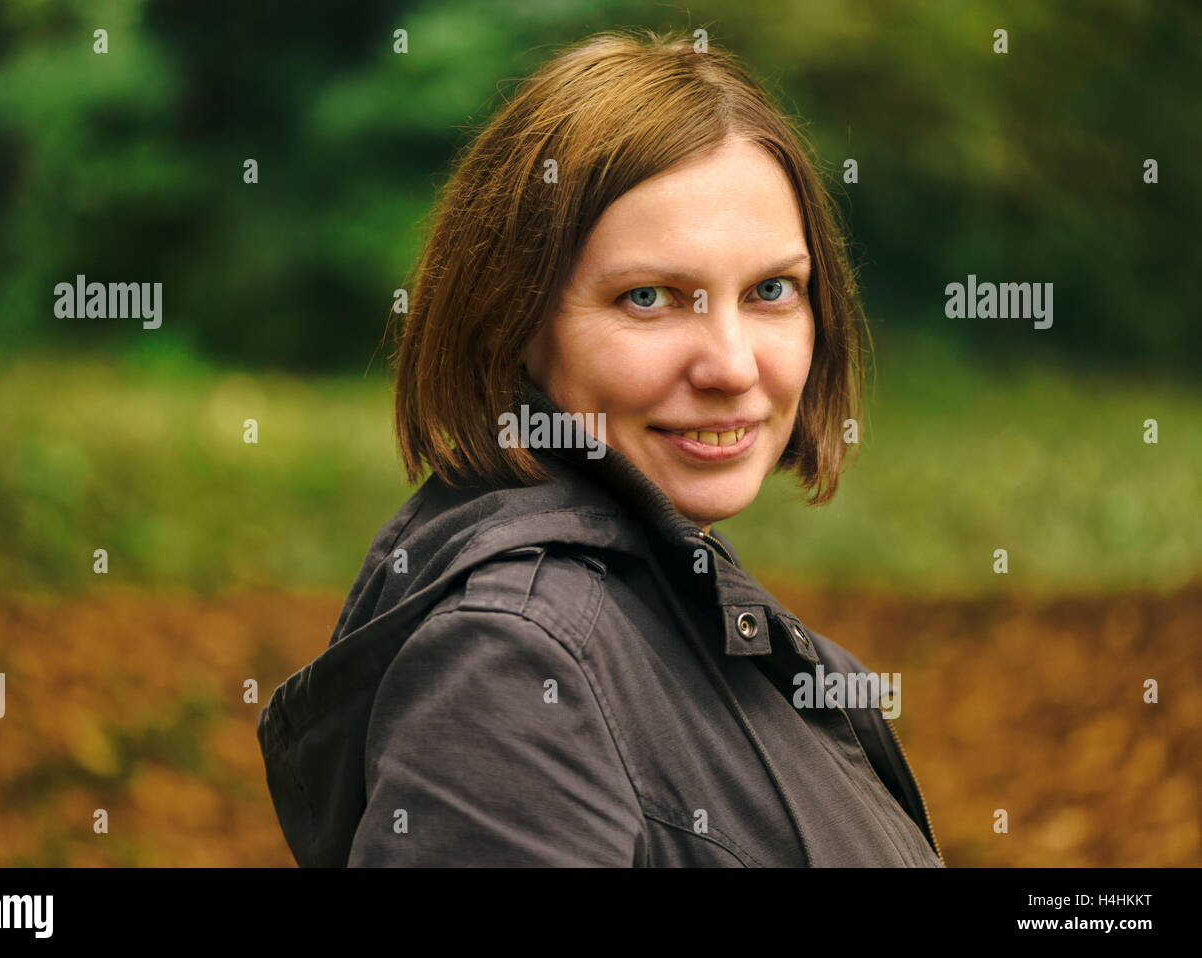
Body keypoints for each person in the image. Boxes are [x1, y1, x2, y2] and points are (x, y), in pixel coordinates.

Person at [257, 28, 944, 867]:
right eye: (649, 298)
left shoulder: (668, 594)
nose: (731, 364)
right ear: (509, 319)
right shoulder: (512, 665)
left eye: (771, 291)